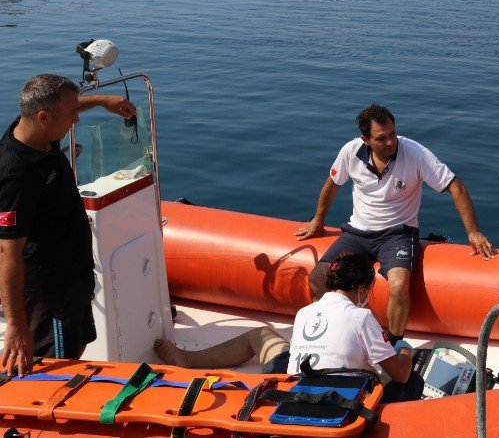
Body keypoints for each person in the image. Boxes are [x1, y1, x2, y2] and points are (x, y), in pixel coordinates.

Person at [295, 104, 496, 346]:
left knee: (399, 286)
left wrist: (472, 232)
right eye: (382, 138)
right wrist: (318, 220)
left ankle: (392, 344)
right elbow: (333, 182)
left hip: (398, 234)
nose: (391, 142)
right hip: (358, 233)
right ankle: (330, 334)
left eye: (392, 134)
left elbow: (456, 186)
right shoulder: (351, 151)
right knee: (318, 277)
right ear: (365, 140)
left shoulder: (415, 153)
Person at [0, 74, 136, 376]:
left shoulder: (43, 134)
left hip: (72, 278)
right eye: (71, 114)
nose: (76, 119)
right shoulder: (16, 175)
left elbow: (61, 107)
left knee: (75, 347)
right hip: (49, 292)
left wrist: (103, 100)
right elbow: (8, 252)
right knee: (54, 366)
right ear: (44, 117)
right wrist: (16, 325)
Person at [155, 252, 424, 403]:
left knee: (259, 335)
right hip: (336, 401)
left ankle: (187, 359)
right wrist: (404, 351)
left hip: (290, 391)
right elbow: (398, 375)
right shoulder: (361, 318)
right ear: (363, 289)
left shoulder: (305, 312)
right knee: (412, 380)